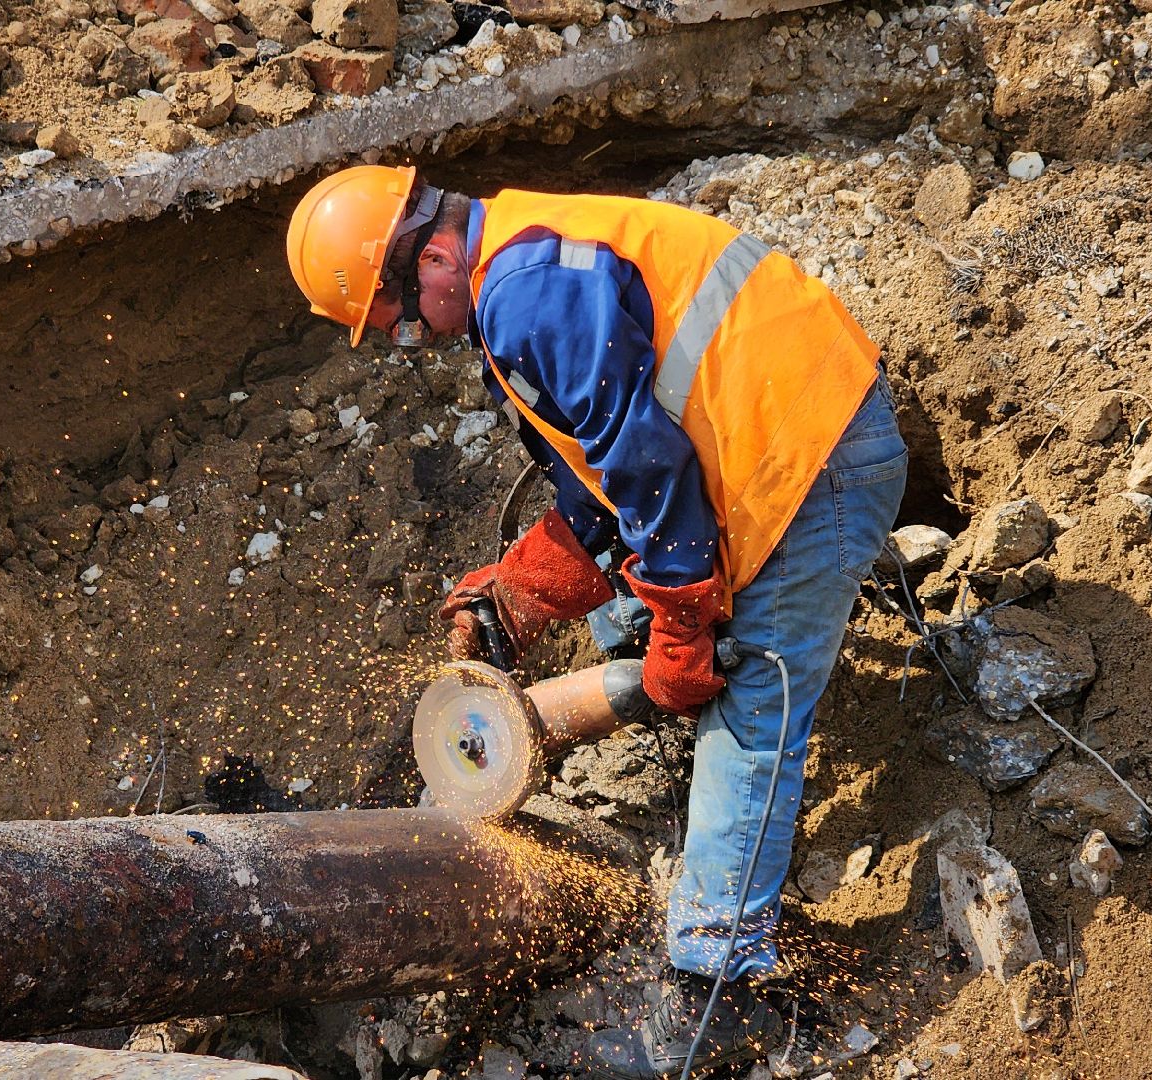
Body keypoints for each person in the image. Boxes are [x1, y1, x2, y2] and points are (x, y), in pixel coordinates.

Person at [286, 165, 908, 1078]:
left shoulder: (527, 296)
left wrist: (687, 630)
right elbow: (604, 480)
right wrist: (522, 590)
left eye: (407, 318)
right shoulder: (520, 269)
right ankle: (669, 769)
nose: (417, 338)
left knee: (753, 703)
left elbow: (649, 470)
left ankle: (718, 990)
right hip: (758, 439)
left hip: (808, 458)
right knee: (642, 616)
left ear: (436, 255)